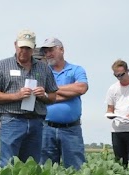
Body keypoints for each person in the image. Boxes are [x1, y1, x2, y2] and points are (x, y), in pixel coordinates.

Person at [0, 30, 59, 167]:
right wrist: (16, 96)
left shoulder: (44, 69)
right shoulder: (2, 66)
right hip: (11, 120)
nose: (24, 51)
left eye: (28, 48)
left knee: (32, 165)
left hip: (36, 122)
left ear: (33, 47)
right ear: (15, 45)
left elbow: (53, 97)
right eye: (22, 47)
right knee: (8, 165)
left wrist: (43, 95)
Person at [39, 38, 89, 169]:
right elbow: (38, 94)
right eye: (45, 51)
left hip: (71, 129)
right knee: (46, 169)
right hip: (46, 128)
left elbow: (81, 88)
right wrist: (69, 92)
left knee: (76, 168)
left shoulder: (76, 69)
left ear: (61, 49)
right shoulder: (42, 71)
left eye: (51, 50)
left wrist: (50, 90)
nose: (48, 54)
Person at [105, 59, 129, 167]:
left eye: (121, 74)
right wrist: (110, 115)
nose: (119, 78)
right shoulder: (112, 88)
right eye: (116, 75)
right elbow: (110, 108)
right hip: (117, 130)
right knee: (120, 164)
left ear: (128, 70)